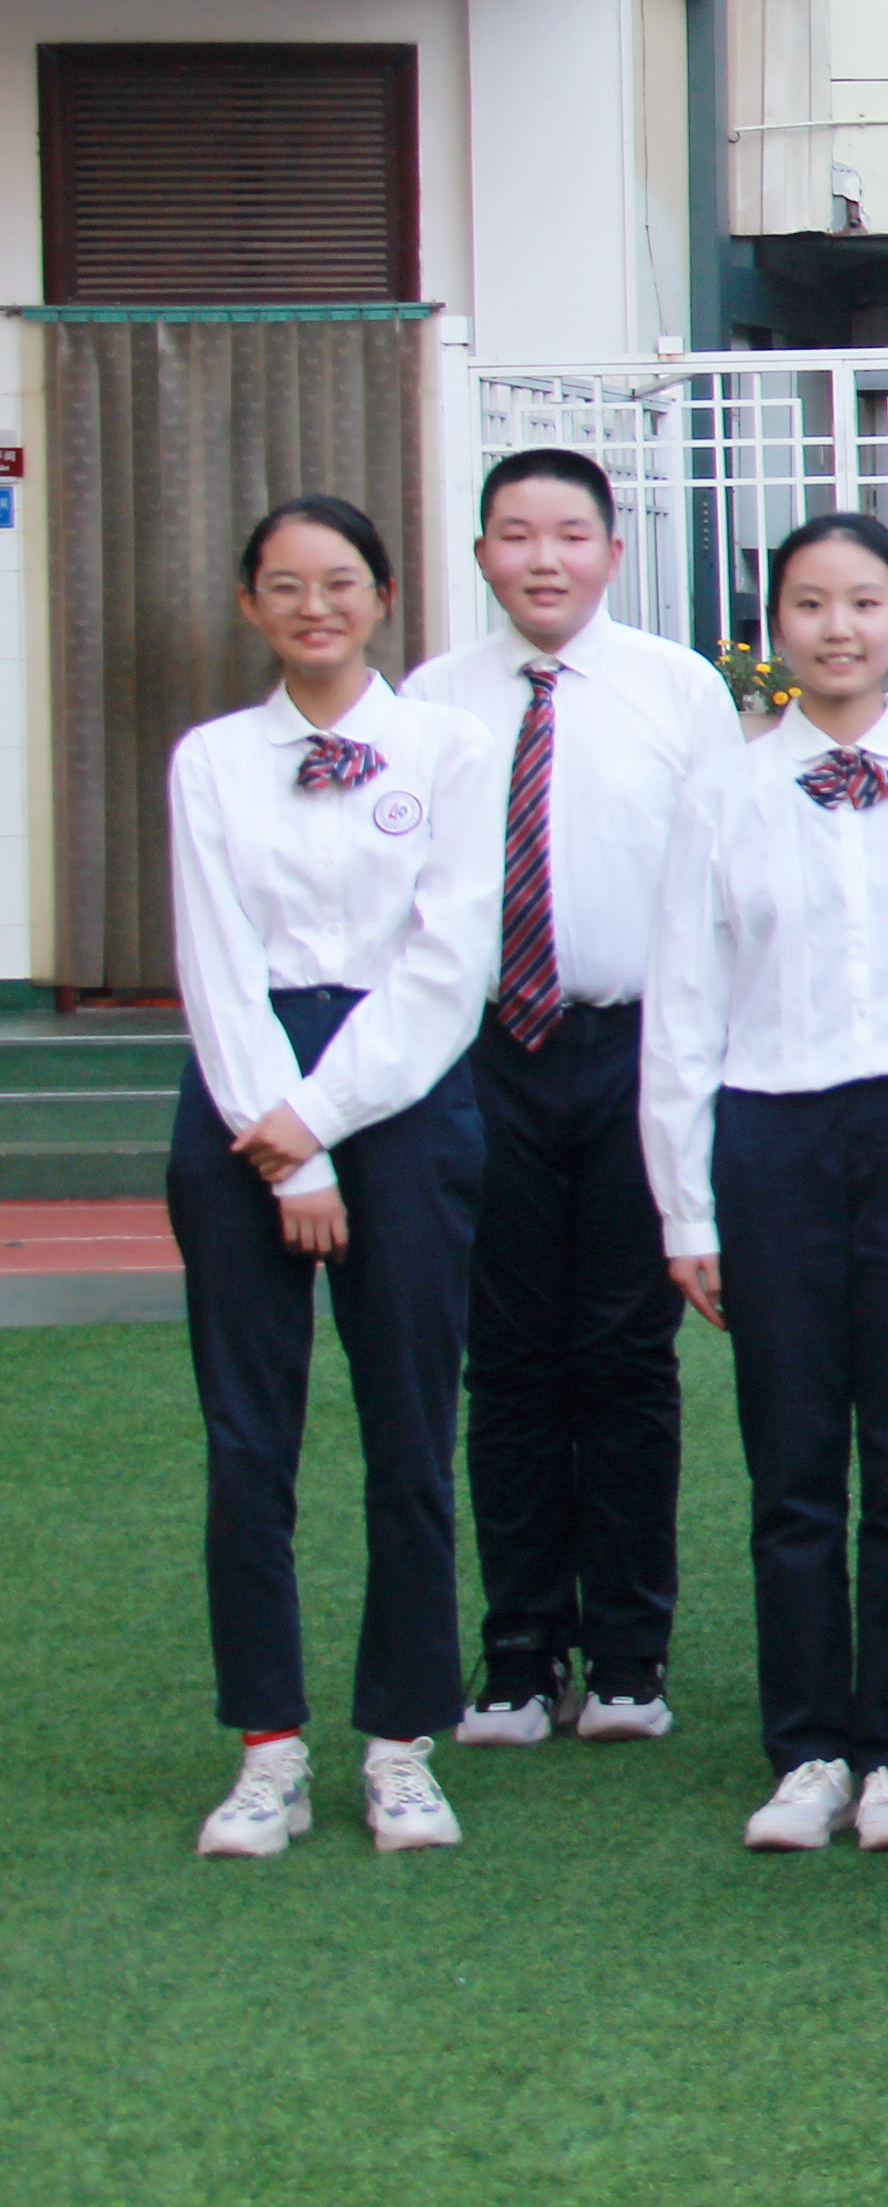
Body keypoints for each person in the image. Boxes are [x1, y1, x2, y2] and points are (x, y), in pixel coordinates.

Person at [644, 512, 888, 1855]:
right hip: (773, 1139)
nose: (838, 629)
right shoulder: (724, 796)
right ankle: (807, 1747)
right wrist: (687, 1207)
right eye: (810, 605)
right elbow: (683, 1009)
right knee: (794, 1460)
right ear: (776, 631)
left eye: (863, 603)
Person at [173, 498, 496, 1858]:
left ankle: (402, 1743)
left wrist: (319, 1120)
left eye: (341, 582)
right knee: (248, 1441)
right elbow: (213, 959)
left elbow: (448, 964)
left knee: (410, 1429)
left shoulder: (449, 747)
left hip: (402, 1094)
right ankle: (268, 1749)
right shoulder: (211, 760)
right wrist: (282, 1140)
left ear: (384, 597)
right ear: (252, 603)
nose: (316, 607)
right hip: (241, 1096)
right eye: (287, 585)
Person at [411, 450, 742, 1752]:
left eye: (568, 534)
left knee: (625, 1357)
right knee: (506, 1362)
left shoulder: (679, 690)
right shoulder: (433, 700)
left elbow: (717, 884)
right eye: (515, 534)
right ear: (482, 553)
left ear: (610, 550)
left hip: (634, 1052)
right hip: (481, 1053)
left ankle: (628, 1654)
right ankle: (516, 1648)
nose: (542, 559)